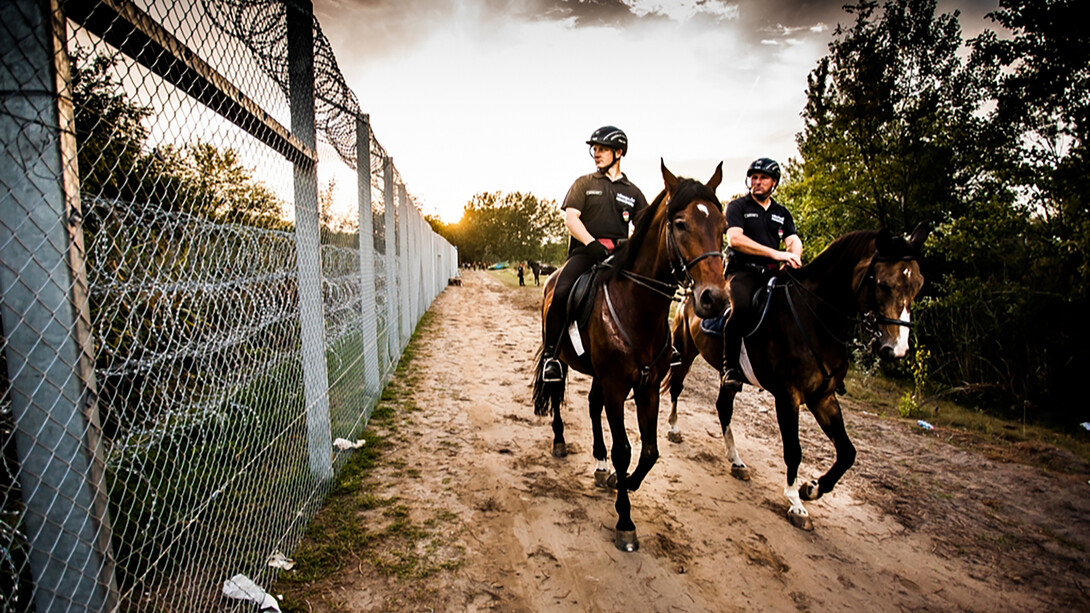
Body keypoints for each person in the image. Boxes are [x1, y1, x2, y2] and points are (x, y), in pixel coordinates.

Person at [541, 126, 649, 382]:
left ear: (619, 152)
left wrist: (629, 245)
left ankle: (663, 348)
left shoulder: (633, 192)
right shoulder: (584, 183)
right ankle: (551, 358)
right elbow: (571, 219)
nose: (596, 153)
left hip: (620, 257)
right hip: (586, 253)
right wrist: (591, 243)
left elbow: (644, 229)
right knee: (560, 293)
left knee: (648, 294)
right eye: (594, 149)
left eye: (602, 149)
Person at [720, 157, 802, 391]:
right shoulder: (737, 207)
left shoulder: (781, 213)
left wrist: (793, 256)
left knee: (799, 305)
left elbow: (793, 240)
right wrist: (776, 254)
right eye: (753, 177)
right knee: (742, 307)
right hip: (742, 272)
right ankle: (730, 367)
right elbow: (735, 239)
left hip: (772, 274)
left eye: (763, 178)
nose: (756, 182)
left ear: (774, 182)